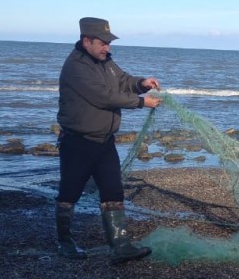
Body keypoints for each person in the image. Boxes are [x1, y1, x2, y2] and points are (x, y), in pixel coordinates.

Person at [55, 17, 163, 263]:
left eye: (109, 43)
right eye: (103, 43)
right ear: (87, 41)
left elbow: (123, 81)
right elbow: (103, 97)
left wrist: (142, 84)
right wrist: (141, 102)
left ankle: (121, 246)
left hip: (105, 142)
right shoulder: (75, 66)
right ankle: (65, 242)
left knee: (113, 191)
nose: (107, 47)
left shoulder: (107, 63)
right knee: (69, 194)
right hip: (78, 142)